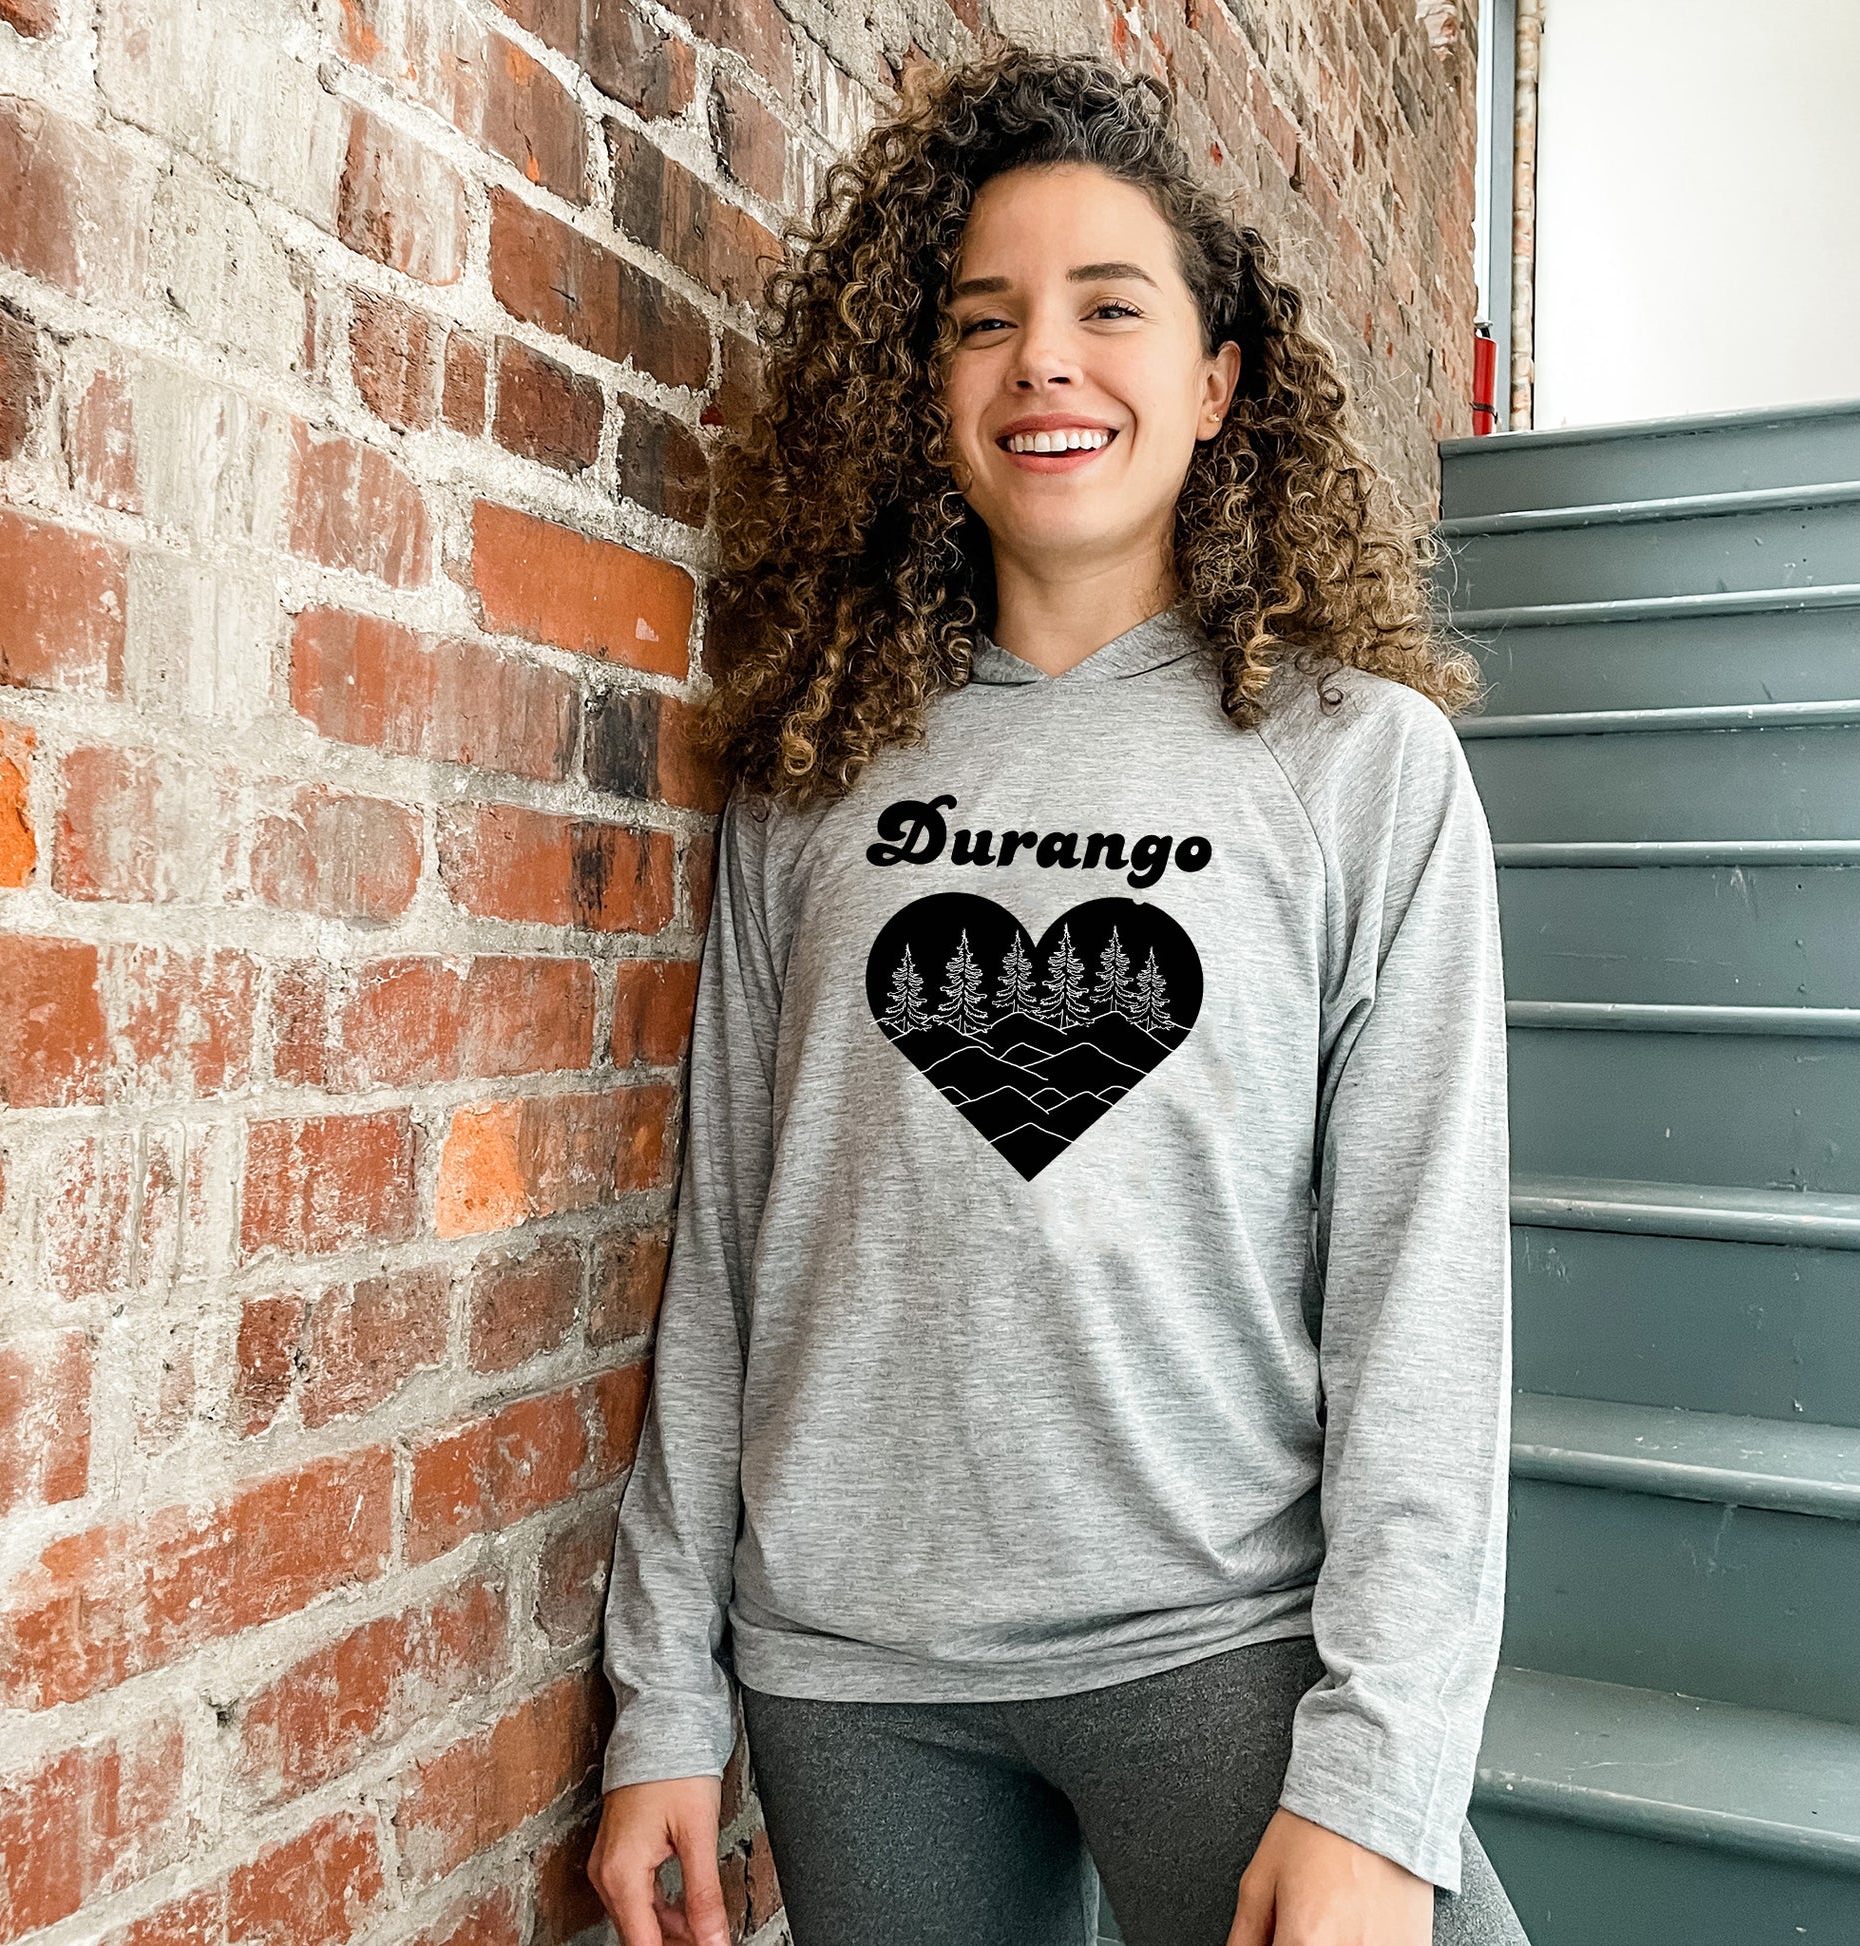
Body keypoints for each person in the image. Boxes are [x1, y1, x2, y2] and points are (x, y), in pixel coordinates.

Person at [588, 42, 1528, 1946]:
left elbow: (1425, 1291)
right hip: (856, 1676)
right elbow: (730, 1245)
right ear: (924, 388)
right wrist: (663, 1694)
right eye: (983, 319)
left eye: (1112, 309)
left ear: (1214, 380)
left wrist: (1378, 1767)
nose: (1045, 362)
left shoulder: (1362, 764)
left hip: (1219, 1641)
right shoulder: (811, 771)